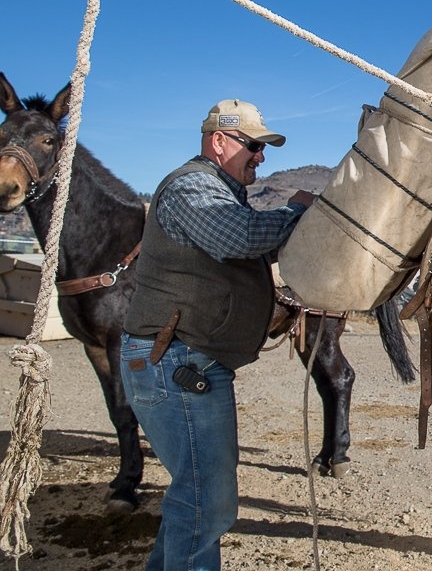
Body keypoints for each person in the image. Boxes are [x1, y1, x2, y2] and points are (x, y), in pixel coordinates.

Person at [120, 99, 315, 571]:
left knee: (195, 495)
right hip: (177, 363)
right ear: (219, 141)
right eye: (253, 146)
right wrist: (295, 210)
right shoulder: (192, 187)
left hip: (184, 362)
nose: (261, 158)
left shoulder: (220, 193)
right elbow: (239, 239)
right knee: (209, 500)